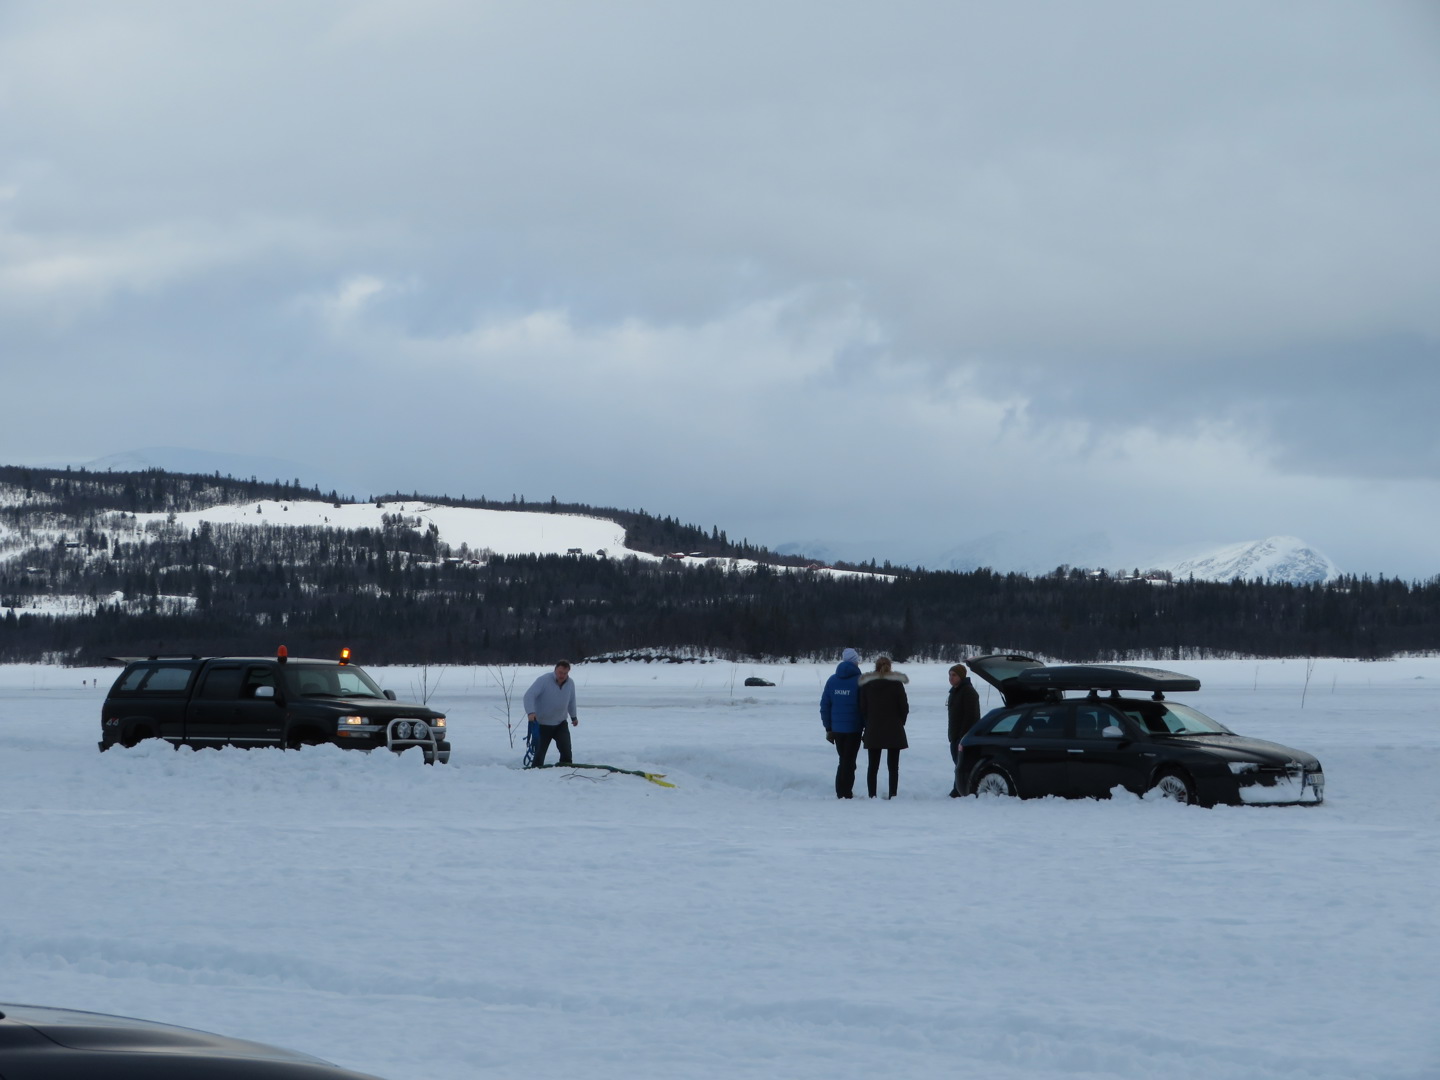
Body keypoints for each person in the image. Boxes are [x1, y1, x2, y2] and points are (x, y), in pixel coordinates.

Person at [859, 656, 909, 799]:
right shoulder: (897, 683)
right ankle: (893, 794)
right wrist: (900, 722)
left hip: (874, 728)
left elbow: (863, 707)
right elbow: (904, 707)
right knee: (893, 767)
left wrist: (869, 722)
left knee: (873, 767)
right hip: (894, 728)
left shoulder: (867, 684)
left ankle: (872, 795)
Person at [820, 647, 864, 798]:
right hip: (854, 729)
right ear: (855, 662)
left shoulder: (832, 680)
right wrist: (865, 725)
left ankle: (841, 791)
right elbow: (864, 706)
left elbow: (825, 705)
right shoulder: (860, 681)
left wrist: (828, 727)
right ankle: (845, 793)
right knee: (849, 762)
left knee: (843, 760)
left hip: (837, 729)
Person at [524, 660, 578, 767]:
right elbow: (528, 696)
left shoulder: (570, 683)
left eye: (565, 673)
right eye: (560, 672)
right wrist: (530, 712)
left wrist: (573, 717)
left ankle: (566, 770)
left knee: (566, 750)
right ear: (555, 670)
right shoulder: (544, 680)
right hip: (542, 724)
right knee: (539, 754)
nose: (562, 675)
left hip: (560, 723)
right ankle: (534, 773)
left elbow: (571, 701)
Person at [947, 662, 982, 796]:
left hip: (963, 738)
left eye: (954, 675)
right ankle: (959, 789)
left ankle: (959, 790)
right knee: (958, 764)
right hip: (954, 736)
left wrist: (962, 736)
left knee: (962, 765)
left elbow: (971, 716)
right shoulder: (954, 692)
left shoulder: (968, 692)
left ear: (961, 676)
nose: (951, 678)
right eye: (950, 675)